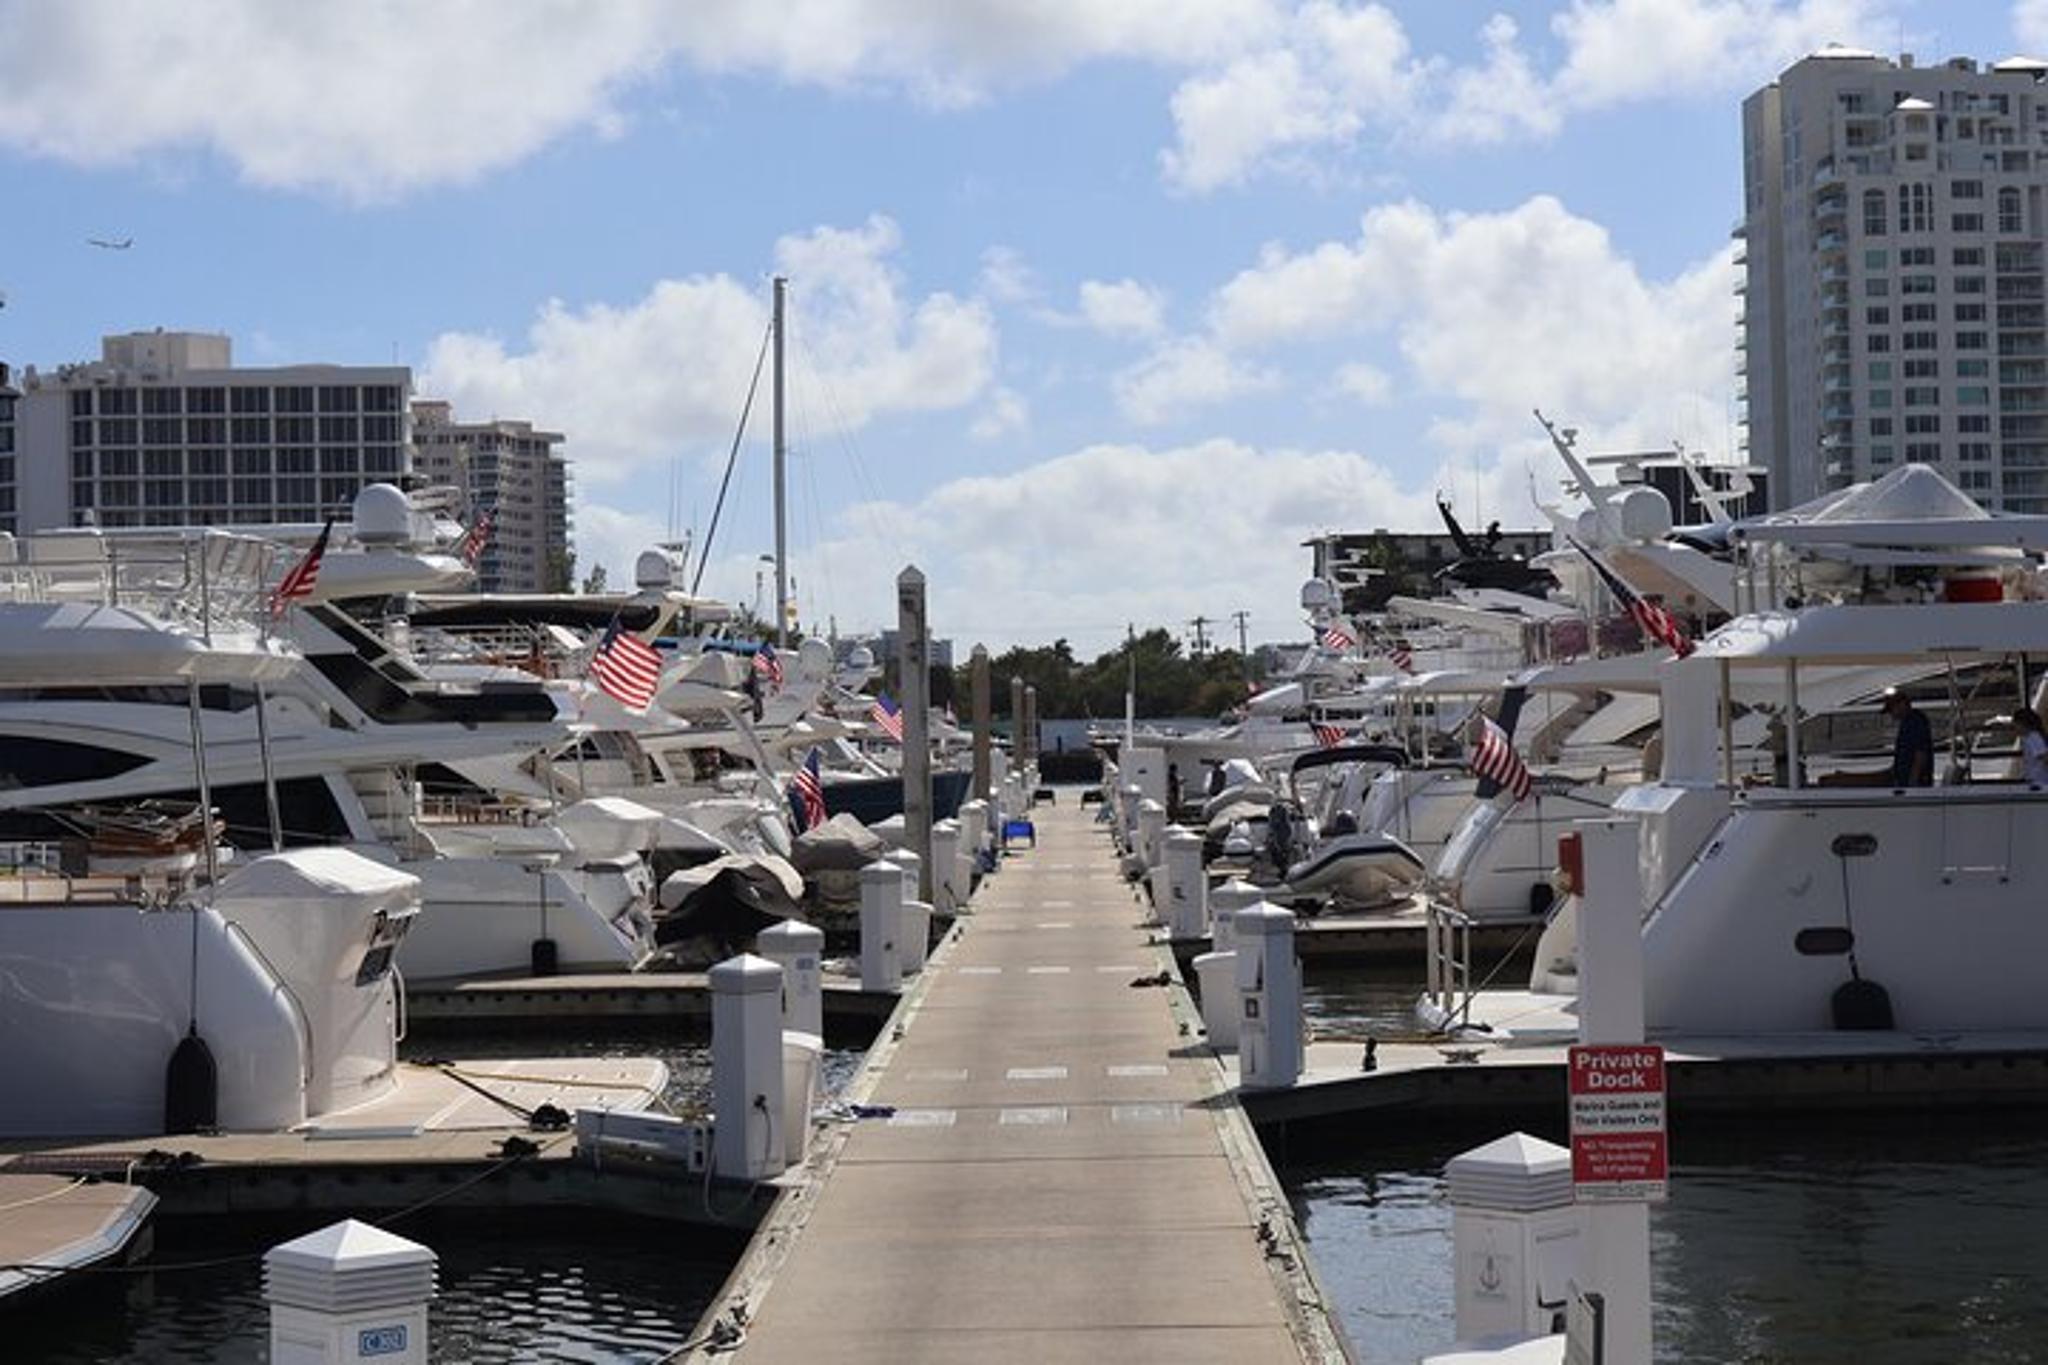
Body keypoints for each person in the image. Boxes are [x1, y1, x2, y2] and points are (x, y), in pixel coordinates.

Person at [1883, 689, 1934, 787]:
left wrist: (1913, 780)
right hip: (1905, 782)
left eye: (1892, 709)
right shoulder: (1906, 723)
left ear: (1902, 704)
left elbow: (1920, 752)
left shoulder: (1916, 722)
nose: (1891, 715)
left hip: (1916, 784)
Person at [2016, 707, 2048, 787]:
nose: (2015, 729)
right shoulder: (2026, 738)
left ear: (2023, 724)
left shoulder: (2034, 738)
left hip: (2039, 782)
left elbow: (2045, 758)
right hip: (2034, 781)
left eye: (2016, 725)